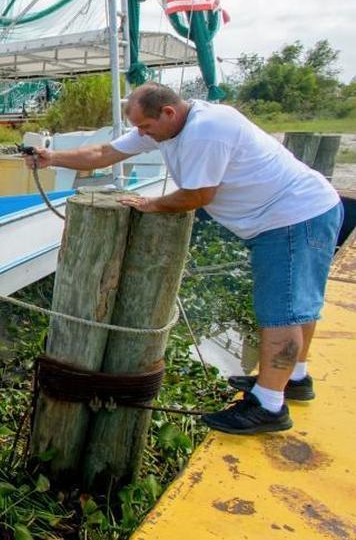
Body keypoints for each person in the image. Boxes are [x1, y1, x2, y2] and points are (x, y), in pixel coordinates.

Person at [27, 83, 341, 434]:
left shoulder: (207, 131)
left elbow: (199, 194)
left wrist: (152, 203)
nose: (143, 135)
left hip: (293, 218)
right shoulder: (167, 128)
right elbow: (103, 153)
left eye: (145, 127)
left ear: (168, 113)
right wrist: (52, 157)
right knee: (296, 305)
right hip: (294, 214)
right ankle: (295, 377)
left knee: (281, 312)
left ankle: (269, 406)